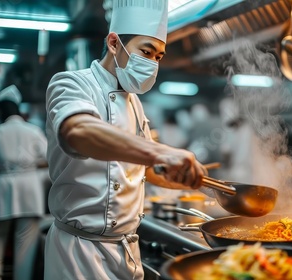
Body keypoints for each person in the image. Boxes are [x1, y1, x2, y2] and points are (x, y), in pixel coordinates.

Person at [44, 1, 206, 279]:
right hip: (79, 251)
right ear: (114, 43)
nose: (153, 63)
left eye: (159, 56)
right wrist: (159, 152)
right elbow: (79, 132)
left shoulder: (134, 104)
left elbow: (132, 167)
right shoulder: (71, 83)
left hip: (127, 249)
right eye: (146, 51)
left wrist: (171, 175)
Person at [0, 85, 48, 280]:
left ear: (0, 111)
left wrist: (0, 165)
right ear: (18, 109)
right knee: (25, 245)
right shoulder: (33, 130)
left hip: (3, 189)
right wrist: (30, 164)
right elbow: (50, 157)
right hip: (30, 190)